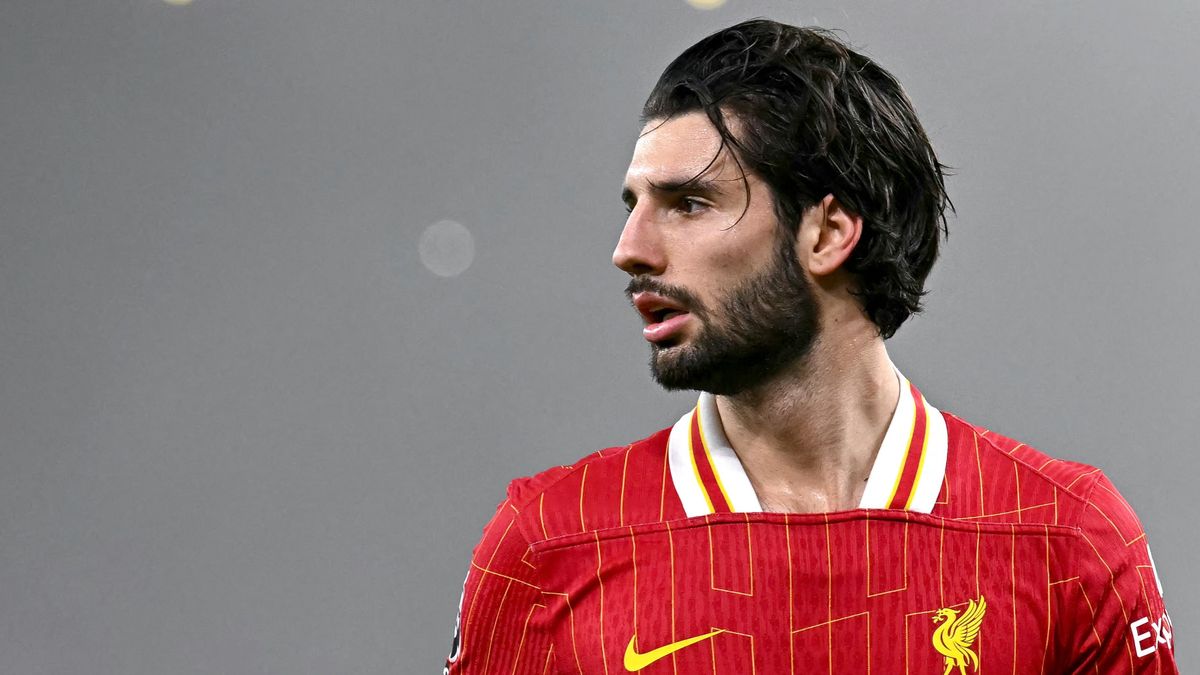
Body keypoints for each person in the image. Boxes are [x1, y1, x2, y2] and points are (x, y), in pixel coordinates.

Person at [443, 18, 1177, 674]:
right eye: (634, 207)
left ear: (828, 231)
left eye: (689, 204)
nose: (629, 250)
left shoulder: (1069, 539)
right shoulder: (546, 544)